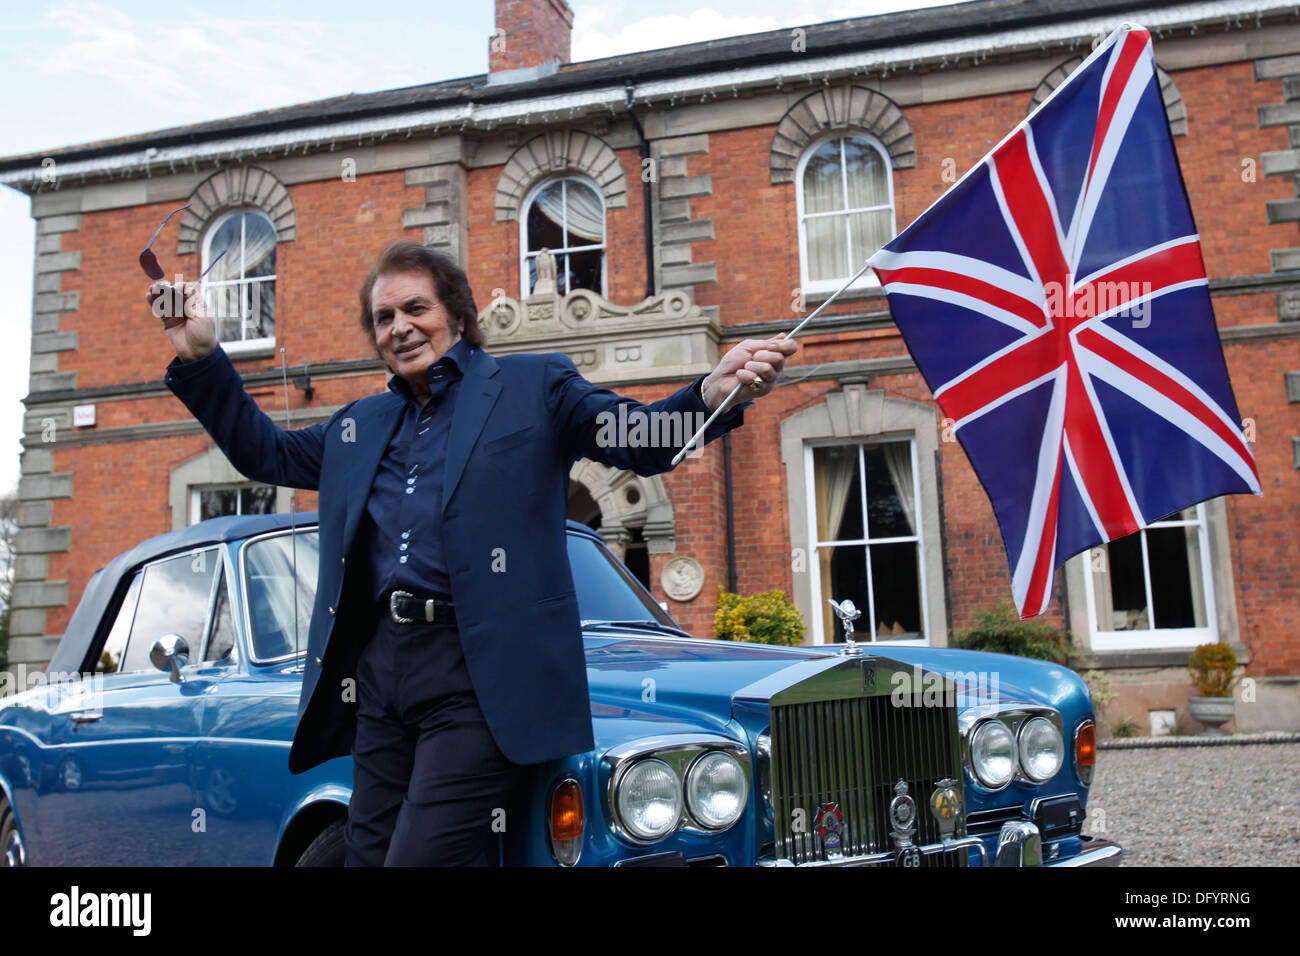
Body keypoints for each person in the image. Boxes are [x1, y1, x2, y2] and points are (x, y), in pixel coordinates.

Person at [149, 239, 797, 865]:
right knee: (367, 856)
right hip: (381, 672)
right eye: (383, 317)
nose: (399, 326)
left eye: (415, 309)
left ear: (456, 315)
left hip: (480, 674)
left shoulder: (533, 387)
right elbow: (266, 452)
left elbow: (635, 437)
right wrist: (203, 356)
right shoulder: (361, 423)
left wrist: (712, 396)